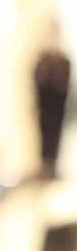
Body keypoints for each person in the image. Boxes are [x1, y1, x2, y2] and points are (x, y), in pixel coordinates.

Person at [33, 17, 71, 181]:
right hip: (45, 108)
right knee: (44, 135)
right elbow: (38, 81)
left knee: (55, 136)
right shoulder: (43, 59)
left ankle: (52, 166)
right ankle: (45, 165)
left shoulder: (63, 60)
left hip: (57, 109)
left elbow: (64, 85)